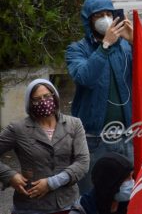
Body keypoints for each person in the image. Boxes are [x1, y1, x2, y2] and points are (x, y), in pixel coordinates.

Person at [66, 0, 133, 194]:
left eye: (108, 14)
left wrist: (137, 43)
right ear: (89, 21)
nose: (105, 19)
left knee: (128, 195)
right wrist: (104, 46)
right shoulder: (76, 50)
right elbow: (84, 77)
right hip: (95, 140)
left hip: (127, 136)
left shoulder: (125, 46)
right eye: (99, 16)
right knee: (94, 196)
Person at [0, 79, 89, 213]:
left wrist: (51, 183)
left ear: (55, 96)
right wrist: (9, 175)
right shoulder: (18, 129)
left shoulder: (74, 124)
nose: (43, 101)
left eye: (47, 96)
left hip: (68, 204)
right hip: (31, 206)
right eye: (37, 99)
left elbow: (83, 162)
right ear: (30, 103)